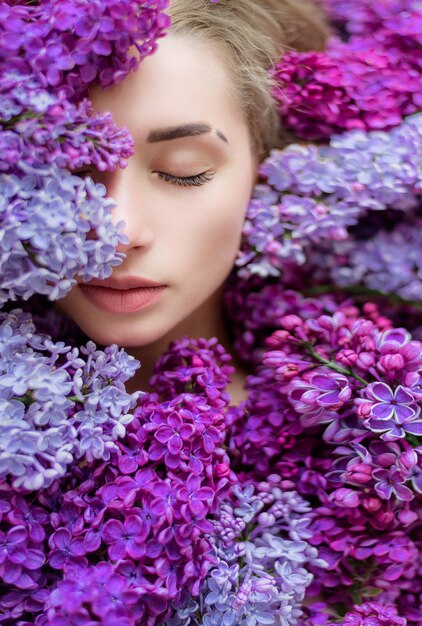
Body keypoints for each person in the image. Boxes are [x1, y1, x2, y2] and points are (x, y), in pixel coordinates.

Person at [57, 0, 330, 400]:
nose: (117, 233)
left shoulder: (351, 440)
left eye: (182, 171)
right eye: (72, 171)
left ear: (268, 165)